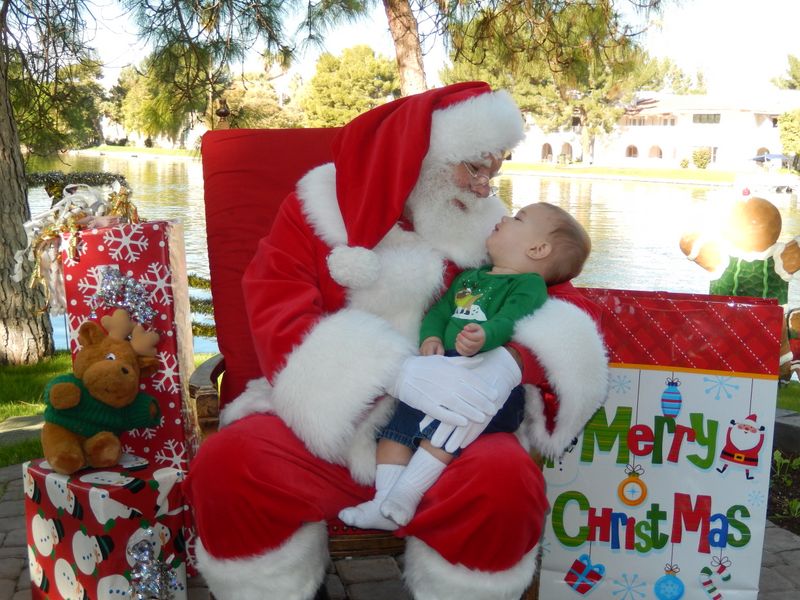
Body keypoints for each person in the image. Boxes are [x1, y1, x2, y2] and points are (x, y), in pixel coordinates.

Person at [185, 82, 609, 600]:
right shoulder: (316, 208)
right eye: (474, 169)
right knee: (230, 466)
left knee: (505, 484)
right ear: (427, 154)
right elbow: (276, 307)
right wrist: (391, 372)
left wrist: (513, 363)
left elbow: (566, 305)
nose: (483, 189)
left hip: (452, 433)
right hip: (329, 424)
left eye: (492, 173)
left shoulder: (489, 227)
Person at [339, 202, 592, 530]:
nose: (504, 217)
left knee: (452, 426)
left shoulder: (529, 286)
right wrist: (430, 337)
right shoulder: (472, 277)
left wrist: (485, 335)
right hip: (440, 370)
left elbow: (512, 320)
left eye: (518, 219)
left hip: (486, 384)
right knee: (396, 432)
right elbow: (441, 312)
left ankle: (406, 493)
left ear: (538, 248)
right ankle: (382, 502)